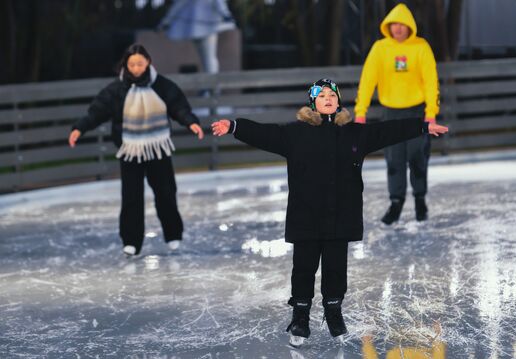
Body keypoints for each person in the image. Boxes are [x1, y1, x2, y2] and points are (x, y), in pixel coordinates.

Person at [211, 79, 448, 347]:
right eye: (321, 95)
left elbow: (387, 131)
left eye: (332, 95)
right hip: (306, 216)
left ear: (338, 101)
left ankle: (333, 312)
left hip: (340, 215)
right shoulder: (294, 134)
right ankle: (300, 318)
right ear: (313, 102)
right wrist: (234, 126)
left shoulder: (353, 133)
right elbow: (264, 133)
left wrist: (422, 125)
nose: (327, 99)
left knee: (336, 270)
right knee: (303, 269)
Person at [68, 44, 204, 256]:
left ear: (148, 62)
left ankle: (173, 235)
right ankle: (131, 241)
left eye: (140, 63)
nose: (136, 68)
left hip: (158, 148)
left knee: (166, 193)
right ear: (126, 65)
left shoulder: (161, 85)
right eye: (132, 64)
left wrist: (190, 122)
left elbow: (178, 107)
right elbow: (97, 111)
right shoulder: (117, 90)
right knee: (131, 196)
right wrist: (79, 128)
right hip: (130, 150)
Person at [354, 3, 440, 225]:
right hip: (391, 113)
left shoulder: (421, 47)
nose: (398, 29)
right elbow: (367, 81)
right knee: (394, 159)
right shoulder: (380, 49)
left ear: (410, 26)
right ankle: (396, 202)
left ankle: (420, 199)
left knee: (417, 156)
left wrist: (431, 112)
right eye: (394, 25)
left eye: (402, 25)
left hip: (416, 112)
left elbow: (431, 81)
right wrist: (360, 112)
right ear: (388, 27)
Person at [158, 0, 235, 76]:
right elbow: (179, 4)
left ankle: (211, 85)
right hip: (200, 27)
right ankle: (210, 85)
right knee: (207, 59)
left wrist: (225, 14)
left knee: (208, 59)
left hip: (205, 27)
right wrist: (166, 21)